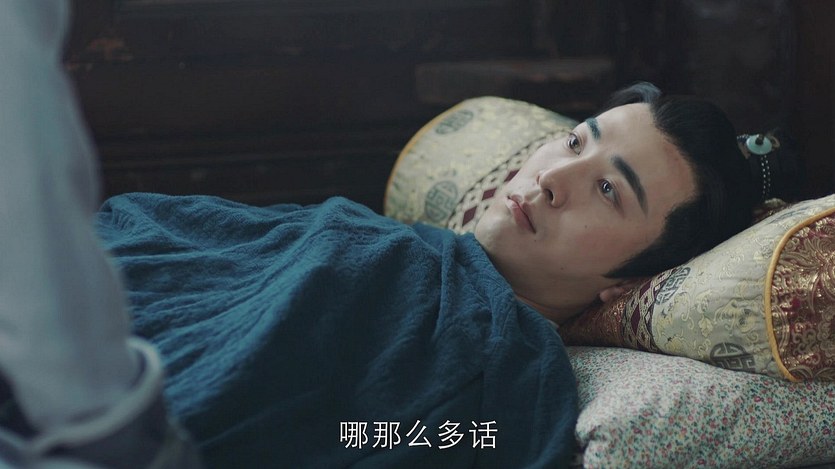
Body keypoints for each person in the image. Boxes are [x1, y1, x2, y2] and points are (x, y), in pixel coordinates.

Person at [0, 2, 786, 467]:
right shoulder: (367, 233)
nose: (555, 176)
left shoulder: (508, 375)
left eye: (608, 190)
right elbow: (147, 237)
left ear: (628, 282)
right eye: (576, 140)